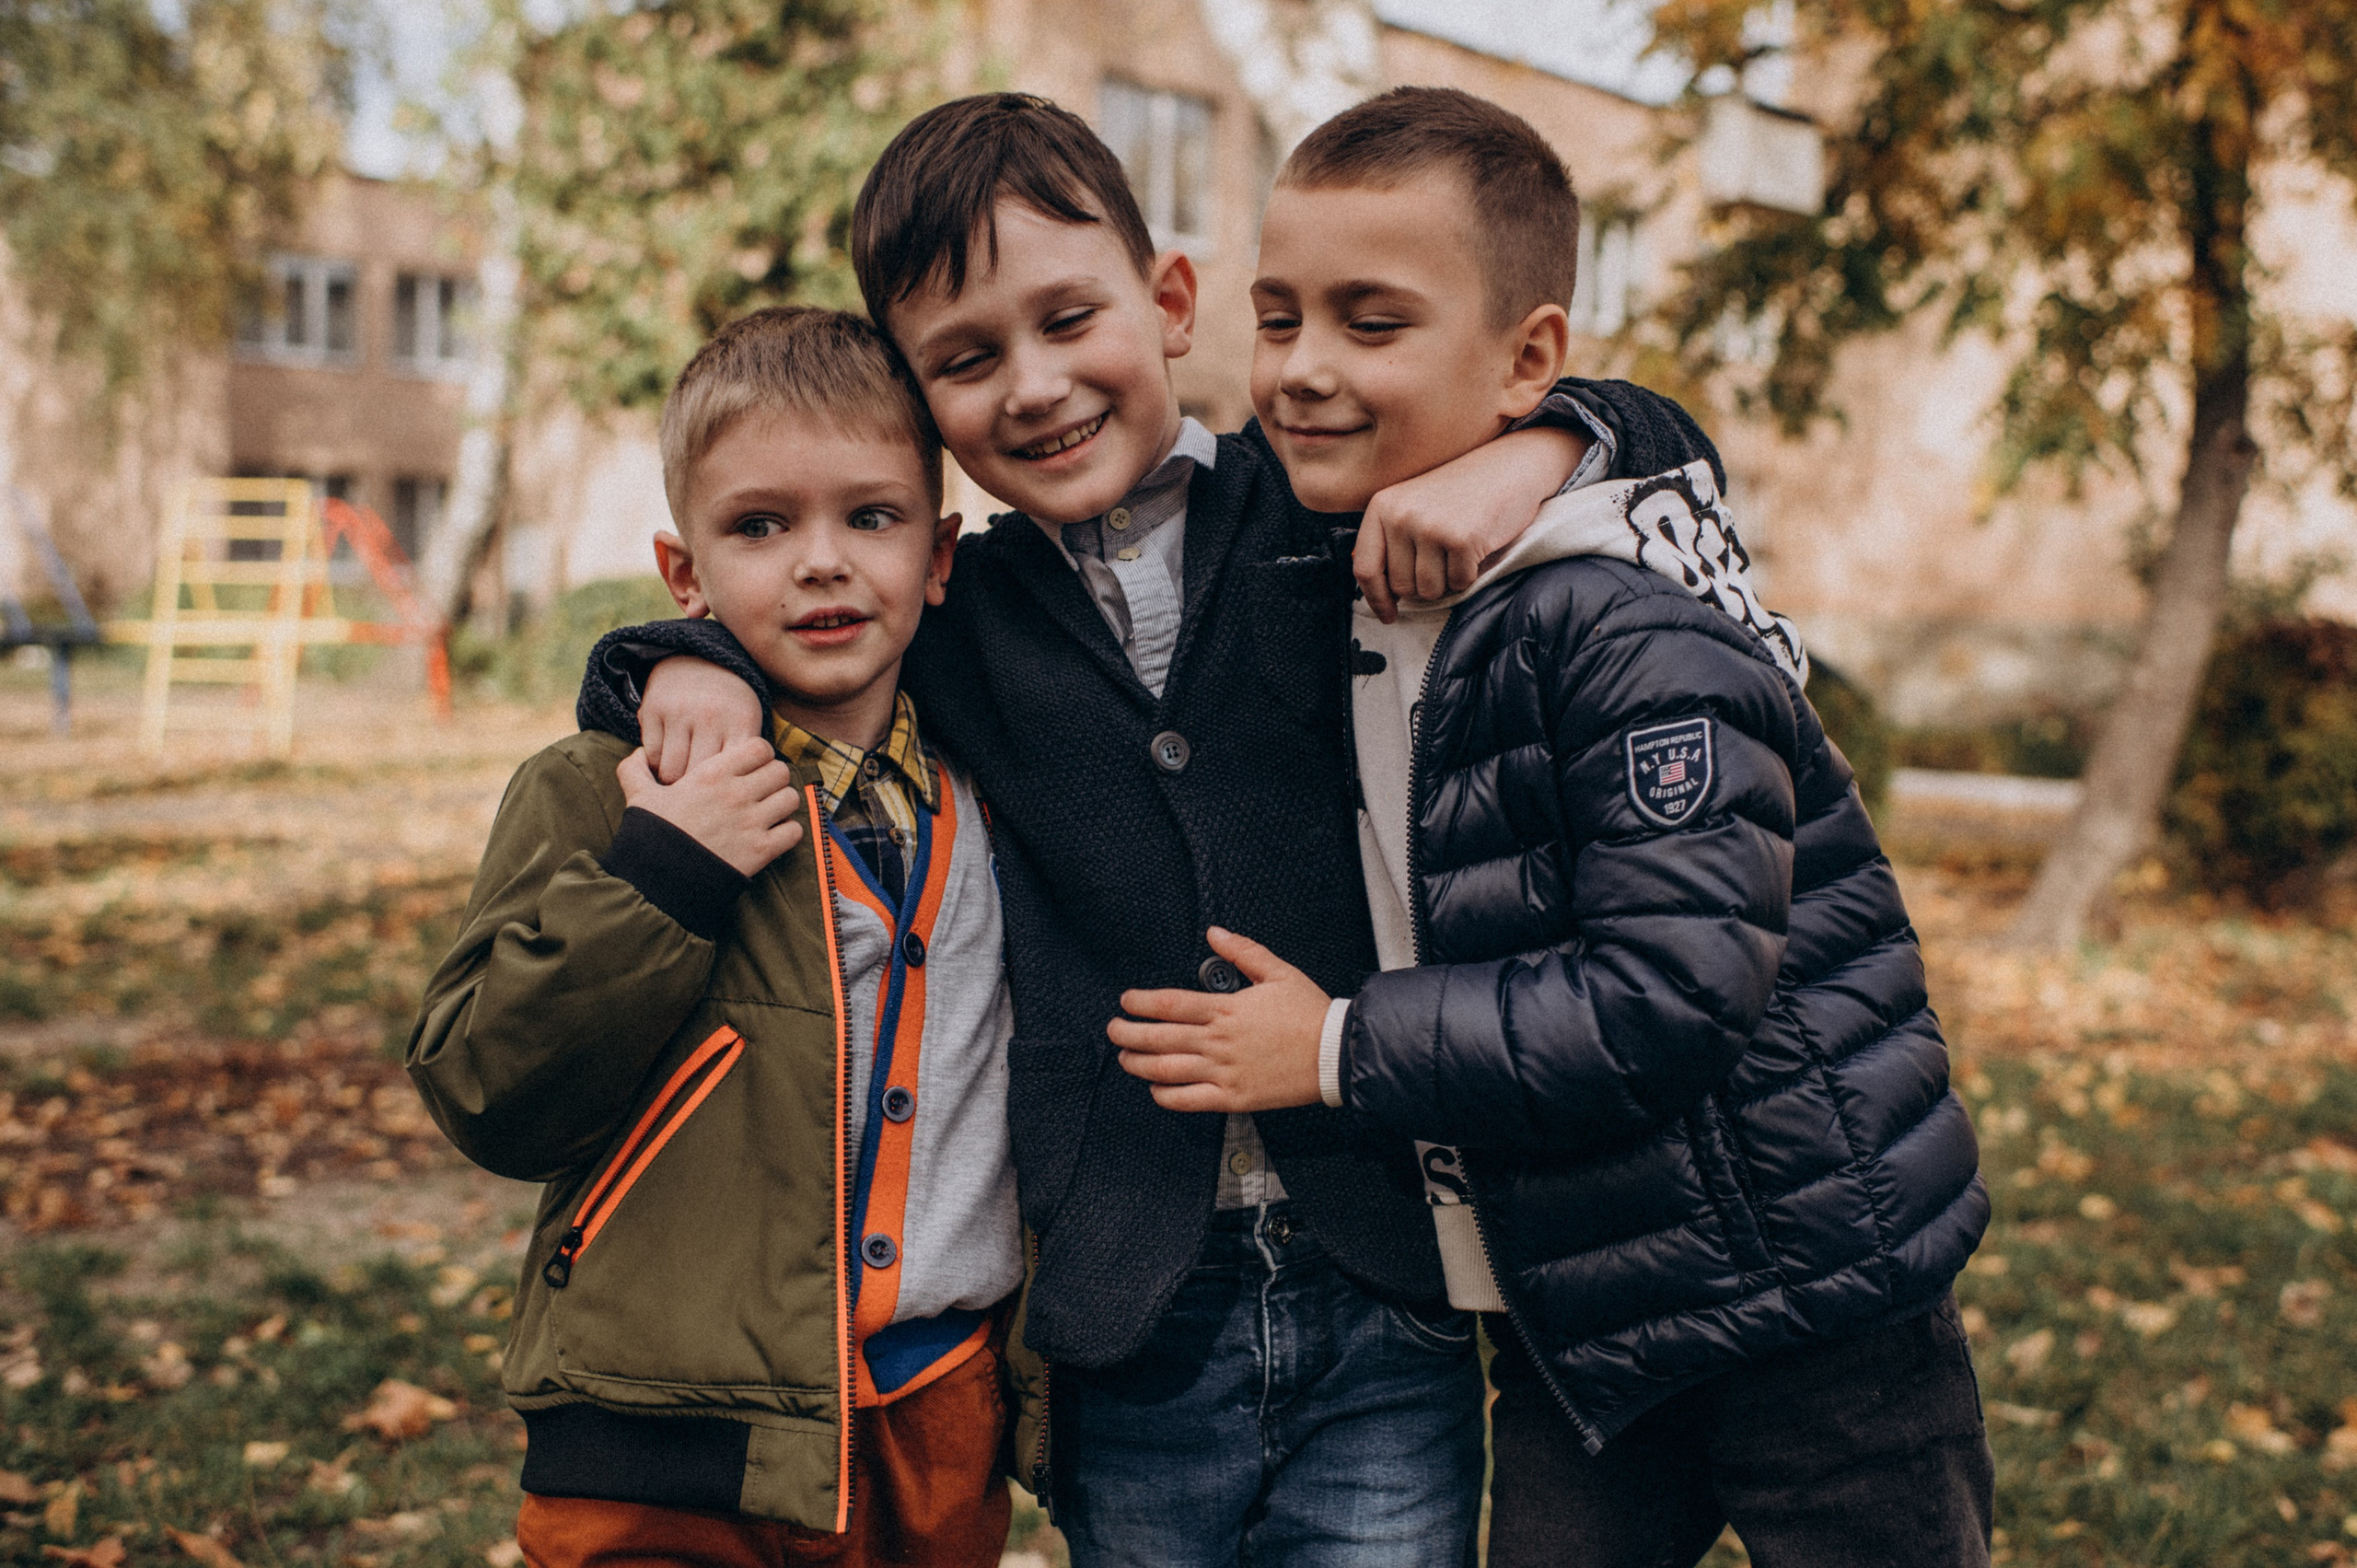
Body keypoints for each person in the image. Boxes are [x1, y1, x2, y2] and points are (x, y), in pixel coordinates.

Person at [573, 93, 1597, 1565]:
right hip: (1129, 1296)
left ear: (1171, 302)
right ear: (920, 410)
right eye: (969, 361)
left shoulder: (1323, 509)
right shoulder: (959, 611)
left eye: (1069, 320)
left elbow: (1654, 455)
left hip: (1383, 1255)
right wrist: (680, 666)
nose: (1037, 385)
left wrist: (1539, 450)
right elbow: (784, 615)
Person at [1109, 87, 1997, 1568]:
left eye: (1371, 322)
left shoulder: (1620, 625)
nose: (1304, 369)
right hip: (1578, 1310)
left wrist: (1333, 1049)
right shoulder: (1346, 558)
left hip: (1812, 1301)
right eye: (1278, 318)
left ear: (1529, 360)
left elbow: (1670, 995)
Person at [409, 306, 1023, 1567]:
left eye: (872, 516)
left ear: (942, 551)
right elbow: (484, 1090)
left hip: (935, 1419)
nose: (822, 561)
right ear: (683, 575)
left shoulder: (1001, 787)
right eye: (759, 525)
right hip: (662, 1432)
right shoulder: (601, 788)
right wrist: (663, 877)